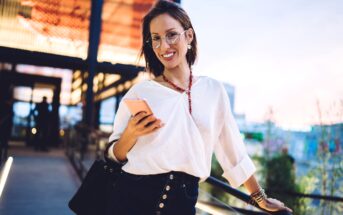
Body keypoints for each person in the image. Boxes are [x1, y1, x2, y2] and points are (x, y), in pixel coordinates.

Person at [106, 1, 292, 214]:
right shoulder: (140, 93)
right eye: (156, 38)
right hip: (130, 200)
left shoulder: (213, 91)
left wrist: (260, 198)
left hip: (182, 204)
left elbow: (233, 151)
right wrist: (130, 133)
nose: (164, 46)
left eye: (171, 35)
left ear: (189, 36)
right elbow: (113, 154)